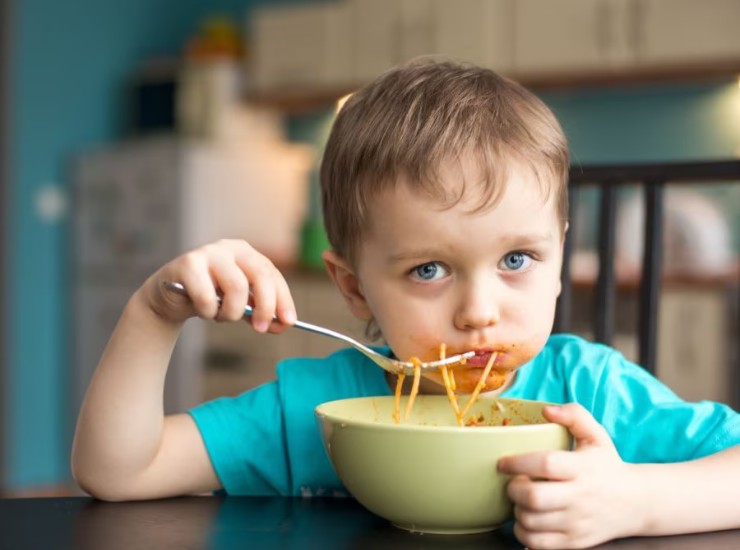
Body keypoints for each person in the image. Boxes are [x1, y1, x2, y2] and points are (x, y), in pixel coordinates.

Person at [72, 59, 740, 549]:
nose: (479, 312)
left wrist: (638, 502)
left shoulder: (590, 391)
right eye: (429, 269)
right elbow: (119, 472)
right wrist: (153, 314)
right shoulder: (315, 409)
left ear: (560, 258)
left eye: (516, 260)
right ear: (354, 286)